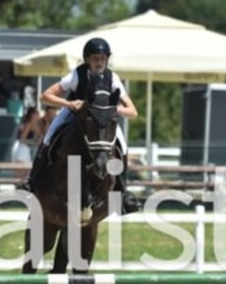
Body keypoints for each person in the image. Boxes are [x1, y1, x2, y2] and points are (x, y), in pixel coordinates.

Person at [18, 37, 141, 214]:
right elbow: (45, 96)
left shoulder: (112, 78)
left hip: (103, 119)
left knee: (123, 146)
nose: (99, 62)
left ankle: (123, 193)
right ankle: (33, 180)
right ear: (87, 59)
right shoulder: (77, 75)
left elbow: (133, 111)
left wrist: (114, 110)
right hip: (74, 113)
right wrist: (68, 103)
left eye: (103, 58)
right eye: (95, 58)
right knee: (48, 137)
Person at [11, 106, 43, 181]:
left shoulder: (35, 124)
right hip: (21, 148)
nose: (38, 114)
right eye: (36, 113)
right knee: (21, 174)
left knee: (26, 173)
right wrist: (34, 143)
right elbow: (22, 139)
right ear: (32, 115)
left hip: (25, 149)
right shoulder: (28, 124)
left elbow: (41, 135)